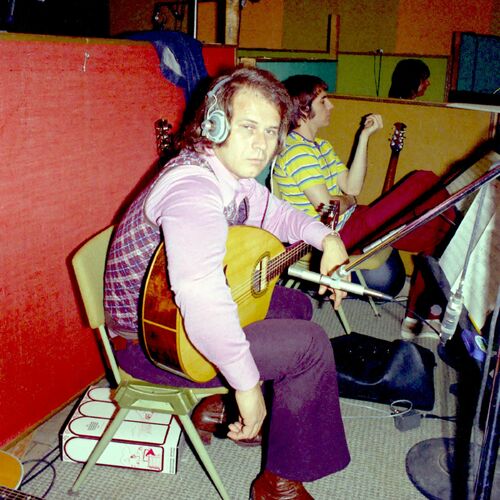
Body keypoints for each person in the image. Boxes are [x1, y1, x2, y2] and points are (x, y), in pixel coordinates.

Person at [104, 66, 350, 499]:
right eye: (249, 127)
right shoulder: (192, 189)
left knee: (297, 306)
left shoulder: (230, 176)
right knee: (310, 347)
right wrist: (247, 385)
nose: (261, 144)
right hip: (153, 345)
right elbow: (201, 295)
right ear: (214, 124)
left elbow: (279, 214)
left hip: (174, 324)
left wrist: (327, 239)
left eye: (271, 131)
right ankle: (278, 483)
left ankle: (215, 409)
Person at [273, 74, 458, 333]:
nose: (331, 106)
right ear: (303, 110)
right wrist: (348, 201)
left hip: (352, 221)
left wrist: (364, 137)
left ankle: (417, 314)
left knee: (433, 231)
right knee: (422, 180)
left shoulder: (321, 147)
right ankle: (459, 225)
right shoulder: (296, 151)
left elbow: (352, 188)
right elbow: (328, 209)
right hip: (332, 235)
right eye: (323, 101)